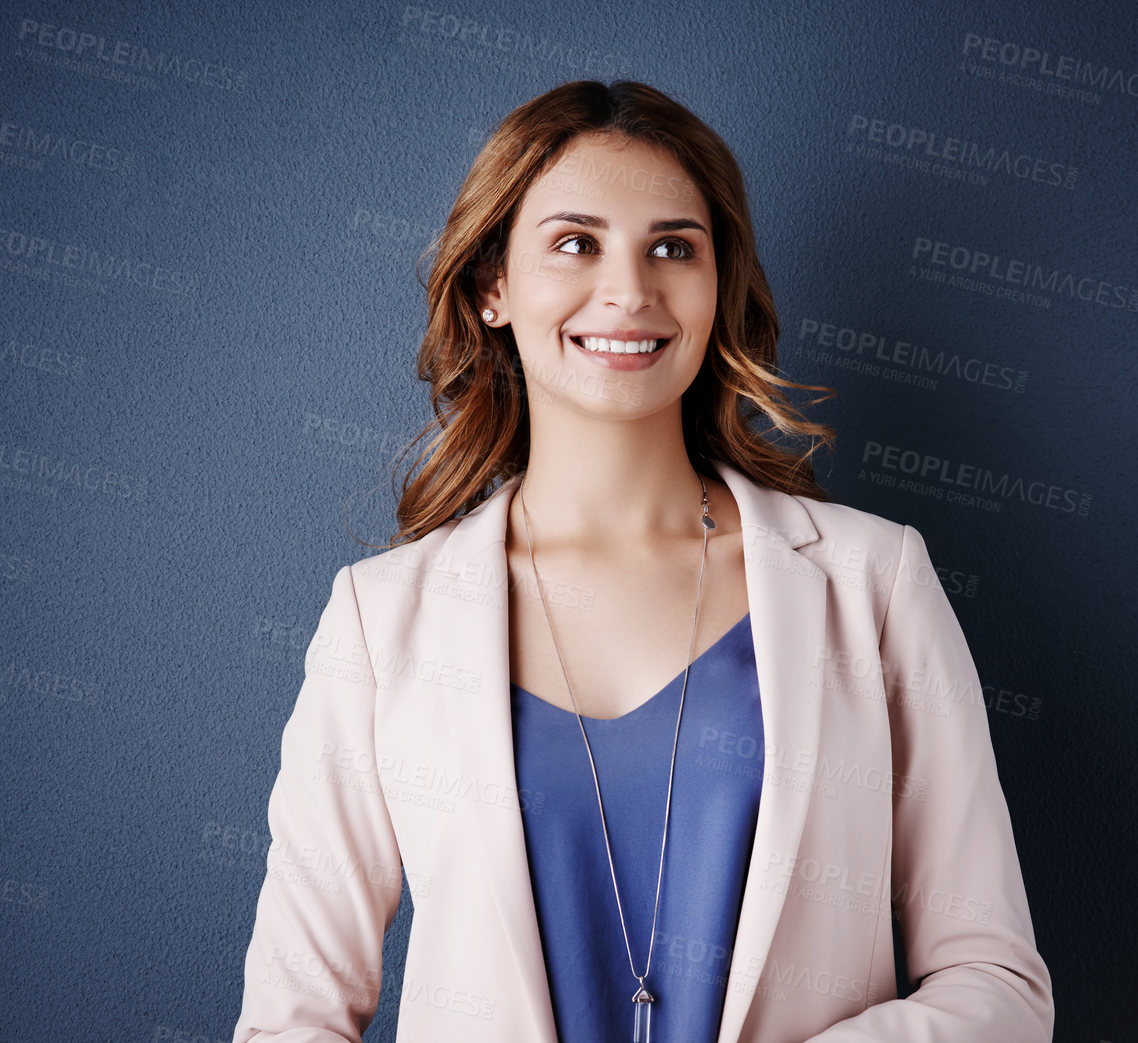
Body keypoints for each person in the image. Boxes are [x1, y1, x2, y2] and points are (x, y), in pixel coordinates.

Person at [232, 79, 1052, 1043]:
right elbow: (292, 1019)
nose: (629, 290)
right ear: (493, 286)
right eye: (575, 243)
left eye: (673, 247)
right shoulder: (380, 621)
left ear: (717, 286)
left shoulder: (872, 584)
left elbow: (995, 980)